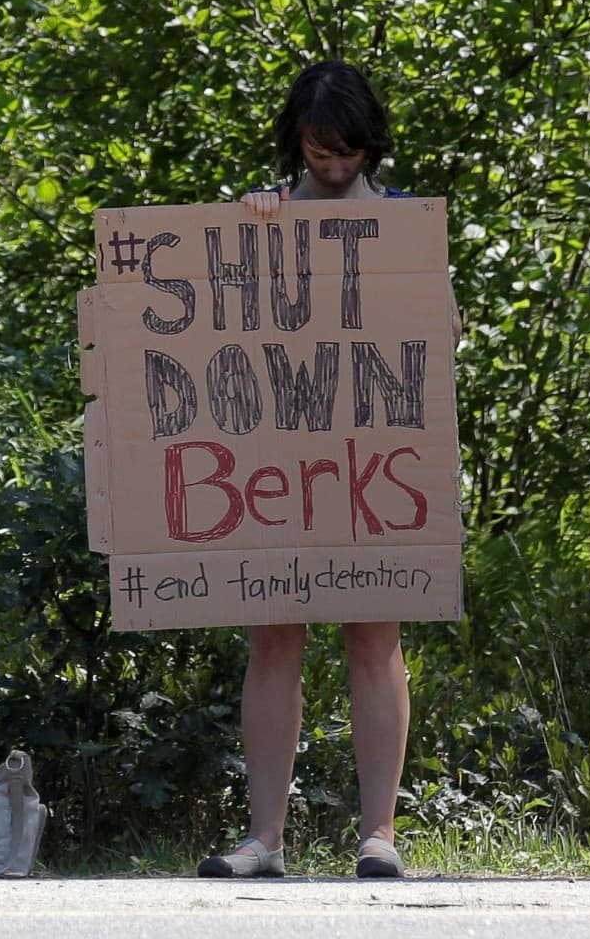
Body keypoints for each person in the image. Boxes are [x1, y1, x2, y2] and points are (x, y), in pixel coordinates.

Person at [198, 62, 420, 883]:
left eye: (348, 156)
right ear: (296, 140)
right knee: (272, 631)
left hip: (373, 462)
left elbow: (439, 335)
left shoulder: (404, 223)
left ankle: (378, 834)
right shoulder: (261, 215)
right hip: (274, 462)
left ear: (371, 148)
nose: (333, 169)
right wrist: (257, 223)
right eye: (320, 153)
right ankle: (265, 839)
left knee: (374, 634)